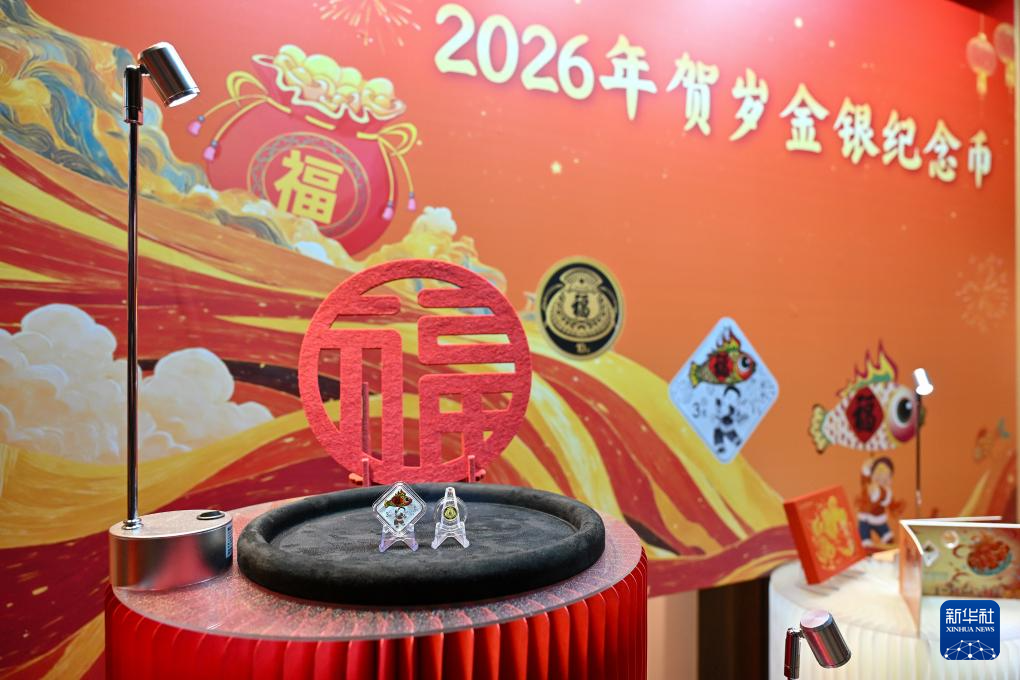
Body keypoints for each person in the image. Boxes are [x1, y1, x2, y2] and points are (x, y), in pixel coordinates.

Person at [857, 456, 899, 547]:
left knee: (889, 540)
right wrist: (866, 467)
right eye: (878, 474)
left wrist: (878, 492)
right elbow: (864, 478)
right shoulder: (868, 485)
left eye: (884, 476)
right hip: (865, 519)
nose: (880, 477)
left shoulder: (886, 492)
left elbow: (888, 502)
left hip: (879, 519)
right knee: (864, 542)